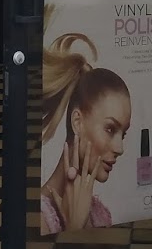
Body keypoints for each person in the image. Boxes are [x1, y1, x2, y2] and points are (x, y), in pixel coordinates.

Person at [40, 31, 131, 234]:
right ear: (77, 122)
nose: (120, 148)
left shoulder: (100, 213)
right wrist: (74, 228)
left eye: (123, 134)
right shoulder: (40, 218)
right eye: (110, 129)